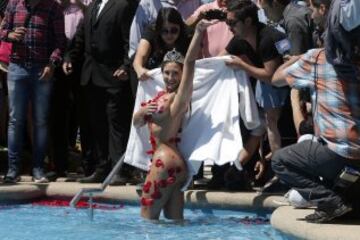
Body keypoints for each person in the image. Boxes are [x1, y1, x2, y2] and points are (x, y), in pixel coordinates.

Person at [133, 19, 214, 220]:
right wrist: (141, 114)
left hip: (164, 161)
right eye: (167, 73)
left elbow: (190, 62)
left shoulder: (178, 99)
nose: (170, 78)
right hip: (173, 163)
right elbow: (137, 124)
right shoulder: (158, 97)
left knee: (147, 217)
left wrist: (198, 33)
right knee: (174, 222)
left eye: (175, 74)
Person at [271, 44, 360, 222]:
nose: (312, 13)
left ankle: (330, 203)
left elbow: (276, 79)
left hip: (340, 150)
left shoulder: (317, 57)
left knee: (280, 160)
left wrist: (298, 57)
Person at [63, 0, 136, 184]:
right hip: (91, 76)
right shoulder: (92, 8)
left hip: (114, 76)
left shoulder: (122, 6)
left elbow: (129, 40)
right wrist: (69, 57)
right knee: (97, 124)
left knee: (116, 124)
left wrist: (126, 67)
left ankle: (119, 170)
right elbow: (81, 37)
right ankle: (102, 167)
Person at [0, 0, 66, 183]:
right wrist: (11, 34)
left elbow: (60, 41)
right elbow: (2, 31)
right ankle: (13, 170)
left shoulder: (53, 7)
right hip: (16, 67)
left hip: (41, 69)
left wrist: (52, 64)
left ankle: (38, 168)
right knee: (15, 120)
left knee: (41, 121)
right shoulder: (13, 4)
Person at [224, 0, 288, 166]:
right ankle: (240, 166)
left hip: (285, 85)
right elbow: (219, 60)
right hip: (264, 88)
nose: (228, 28)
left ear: (247, 21)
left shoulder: (268, 38)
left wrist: (242, 65)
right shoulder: (239, 39)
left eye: (232, 23)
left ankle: (278, 168)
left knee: (271, 121)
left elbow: (271, 76)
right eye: (226, 22)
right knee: (260, 123)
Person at [128, 0, 200, 59]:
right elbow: (136, 40)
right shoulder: (147, 3)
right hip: (152, 66)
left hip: (184, 64)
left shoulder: (195, 2)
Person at [133, 7, 190, 82]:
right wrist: (139, 69)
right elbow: (139, 58)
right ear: (158, 30)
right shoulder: (151, 31)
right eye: (164, 31)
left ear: (181, 28)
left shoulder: (188, 35)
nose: (169, 35)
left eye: (174, 30)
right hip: (149, 75)